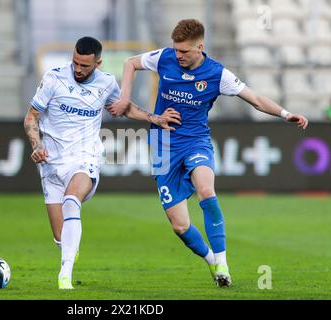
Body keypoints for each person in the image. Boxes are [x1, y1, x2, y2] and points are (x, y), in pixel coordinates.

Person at [108, 19, 308, 287]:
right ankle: (211, 259)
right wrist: (125, 97)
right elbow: (131, 62)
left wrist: (286, 114)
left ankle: (223, 263)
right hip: (163, 146)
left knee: (206, 190)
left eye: (184, 52)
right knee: (179, 226)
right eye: (176, 50)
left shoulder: (217, 74)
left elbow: (256, 99)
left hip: (195, 141)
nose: (178, 56)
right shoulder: (165, 58)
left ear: (199, 47)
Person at [24, 37, 181, 290]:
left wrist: (155, 118)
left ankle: (64, 276)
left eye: (84, 66)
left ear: (98, 63)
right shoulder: (54, 79)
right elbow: (31, 116)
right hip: (51, 163)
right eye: (75, 62)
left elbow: (124, 108)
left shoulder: (106, 82)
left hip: (85, 157)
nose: (77, 69)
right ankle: (68, 252)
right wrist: (37, 145)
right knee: (60, 238)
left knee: (71, 200)